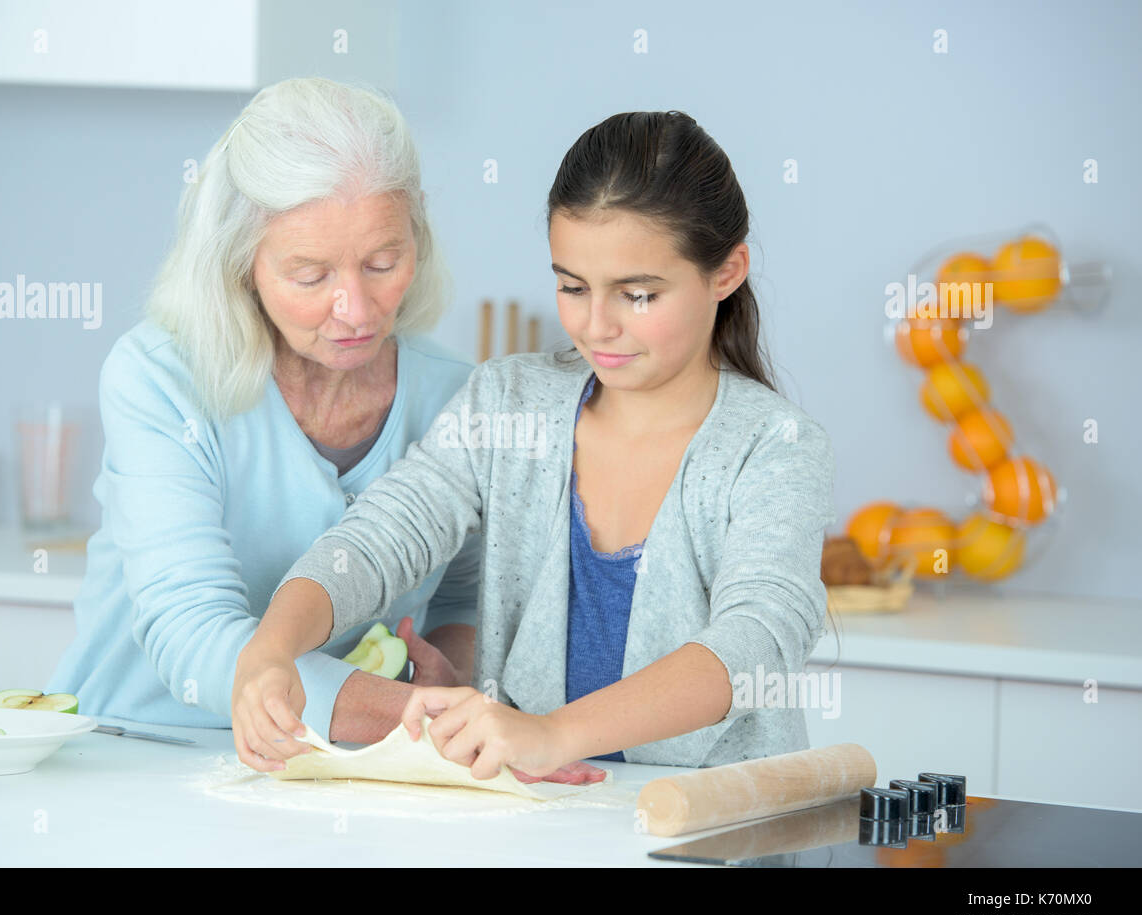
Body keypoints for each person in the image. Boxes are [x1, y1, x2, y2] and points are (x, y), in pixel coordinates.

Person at [231, 111, 837, 781]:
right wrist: (272, 648)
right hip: (539, 816)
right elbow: (380, 536)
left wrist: (551, 733)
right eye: (572, 287)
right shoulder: (506, 402)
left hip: (717, 826)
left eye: (638, 294)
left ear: (727, 271)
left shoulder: (775, 447)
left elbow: (755, 643)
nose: (595, 323)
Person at [48, 78, 483, 745]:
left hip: (346, 775)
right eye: (311, 275)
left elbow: (463, 602)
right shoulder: (161, 380)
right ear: (240, 263)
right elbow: (192, 632)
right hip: (132, 753)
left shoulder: (453, 396)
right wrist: (416, 715)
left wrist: (449, 674)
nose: (358, 310)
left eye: (383, 261)